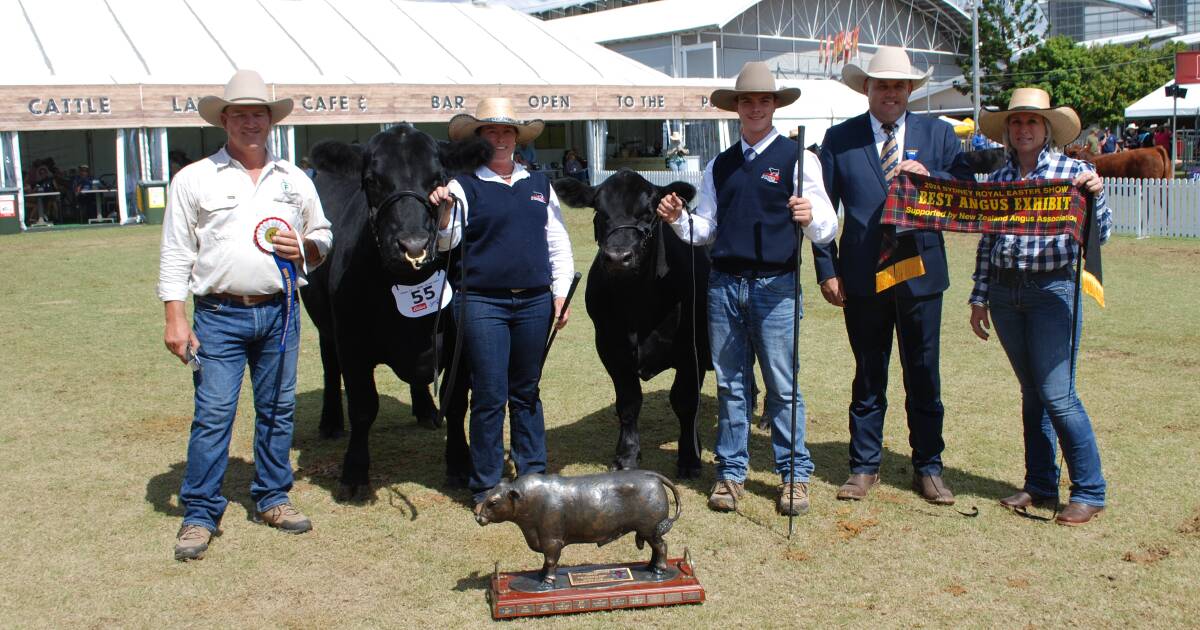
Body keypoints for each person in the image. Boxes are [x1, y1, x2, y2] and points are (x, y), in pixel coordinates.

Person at [159, 69, 332, 561]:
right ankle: (199, 513)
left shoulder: (295, 179)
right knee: (213, 415)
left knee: (279, 412)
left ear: (270, 121)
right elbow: (176, 252)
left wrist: (305, 249)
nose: (250, 122)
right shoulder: (193, 178)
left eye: (259, 114)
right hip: (218, 315)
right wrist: (176, 317)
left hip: (281, 312)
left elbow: (322, 235)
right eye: (240, 114)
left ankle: (273, 497)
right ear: (225, 120)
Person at [655, 62, 838, 516]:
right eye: (747, 100)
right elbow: (706, 229)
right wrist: (679, 219)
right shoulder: (720, 164)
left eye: (764, 99)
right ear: (736, 108)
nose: (755, 107)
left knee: (783, 386)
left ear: (775, 105)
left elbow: (828, 226)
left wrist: (809, 216)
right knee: (732, 386)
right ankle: (731, 474)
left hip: (776, 285)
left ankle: (794, 475)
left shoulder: (800, 159)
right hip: (724, 286)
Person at [814, 46, 962, 505]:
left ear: (911, 90)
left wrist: (931, 175)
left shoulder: (940, 135)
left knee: (923, 373)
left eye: (900, 85)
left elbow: (962, 193)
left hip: (921, 273)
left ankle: (929, 466)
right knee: (868, 372)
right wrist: (826, 269)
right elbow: (822, 210)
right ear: (867, 89)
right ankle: (863, 467)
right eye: (882, 85)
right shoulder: (839, 139)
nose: (891, 93)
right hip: (861, 277)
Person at [968, 87, 1110, 526]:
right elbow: (988, 242)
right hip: (1006, 293)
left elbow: (1099, 234)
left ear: (1046, 129)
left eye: (1031, 121)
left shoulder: (1074, 172)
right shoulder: (998, 180)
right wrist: (979, 297)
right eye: (1016, 122)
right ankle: (1041, 481)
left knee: (1057, 394)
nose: (1023, 128)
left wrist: (1098, 194)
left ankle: (1089, 489)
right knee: (1033, 393)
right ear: (1008, 131)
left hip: (1053, 290)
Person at [428, 97, 575, 510]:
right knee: (490, 393)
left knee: (526, 391)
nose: (500, 138)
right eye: (490, 131)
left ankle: (532, 475)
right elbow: (447, 242)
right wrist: (442, 214)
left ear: (516, 138)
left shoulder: (538, 184)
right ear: (478, 139)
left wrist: (560, 293)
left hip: (533, 302)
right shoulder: (462, 185)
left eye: (507, 131)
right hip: (481, 302)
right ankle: (487, 485)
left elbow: (557, 243)